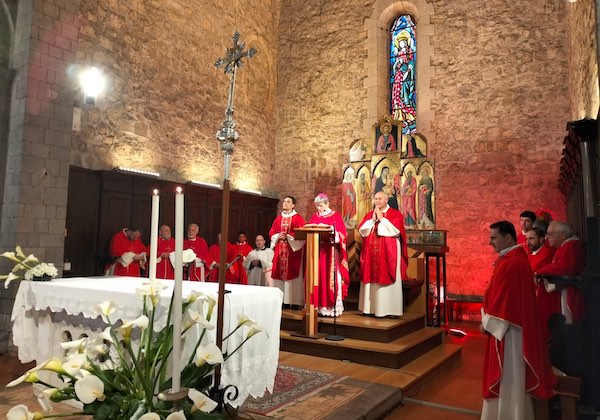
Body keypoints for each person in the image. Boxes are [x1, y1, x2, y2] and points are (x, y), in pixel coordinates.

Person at [481, 221, 556, 419]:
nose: (490, 242)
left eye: (493, 237)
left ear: (507, 237)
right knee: (511, 379)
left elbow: (506, 304)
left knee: (509, 379)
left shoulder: (513, 263)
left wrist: (486, 322)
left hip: (509, 332)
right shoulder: (511, 259)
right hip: (509, 328)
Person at [358, 191, 408, 317]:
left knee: (387, 277)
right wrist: (372, 221)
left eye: (380, 198)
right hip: (371, 254)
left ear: (386, 200)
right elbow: (362, 231)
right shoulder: (370, 215)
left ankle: (390, 310)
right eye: (375, 199)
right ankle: (370, 309)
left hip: (388, 253)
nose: (377, 201)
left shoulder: (395, 214)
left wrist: (381, 220)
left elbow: (396, 231)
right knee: (370, 277)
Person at [535, 221, 586, 324]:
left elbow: (564, 268)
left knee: (568, 323)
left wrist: (540, 272)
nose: (546, 237)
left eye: (550, 234)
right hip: (569, 288)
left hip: (571, 291)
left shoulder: (570, 246)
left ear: (562, 235)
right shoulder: (566, 245)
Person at [308, 193, 349, 317]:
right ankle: (318, 306)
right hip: (317, 251)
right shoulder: (315, 216)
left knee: (328, 277)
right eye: (316, 206)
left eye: (320, 205)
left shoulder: (335, 216)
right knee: (318, 277)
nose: (318, 208)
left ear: (327, 203)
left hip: (330, 251)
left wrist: (331, 231)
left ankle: (331, 307)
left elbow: (342, 234)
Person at [270, 196, 306, 306]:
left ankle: (294, 302)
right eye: (284, 201)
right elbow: (271, 232)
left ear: (293, 205)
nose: (285, 203)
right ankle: (282, 301)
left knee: (293, 276)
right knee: (279, 275)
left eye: (288, 202)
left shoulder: (298, 218)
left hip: (292, 252)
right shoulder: (278, 219)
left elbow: (302, 234)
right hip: (280, 251)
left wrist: (289, 237)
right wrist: (278, 235)